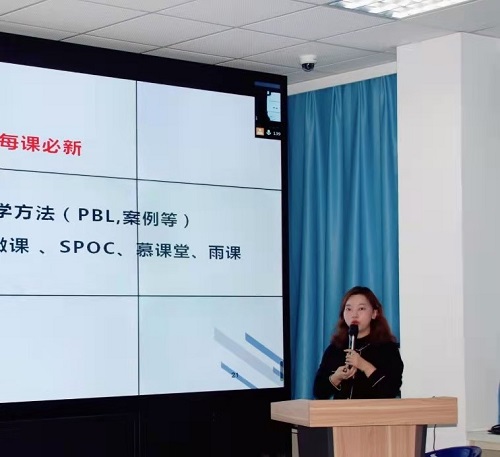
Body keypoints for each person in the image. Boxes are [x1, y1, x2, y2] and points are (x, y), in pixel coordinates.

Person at [313, 286, 403, 400]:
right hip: (341, 411)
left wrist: (364, 366)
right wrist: (336, 377)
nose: (354, 315)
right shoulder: (335, 348)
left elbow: (390, 391)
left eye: (361, 308)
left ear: (374, 313)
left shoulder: (388, 349)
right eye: (348, 309)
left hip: (373, 411)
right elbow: (318, 392)